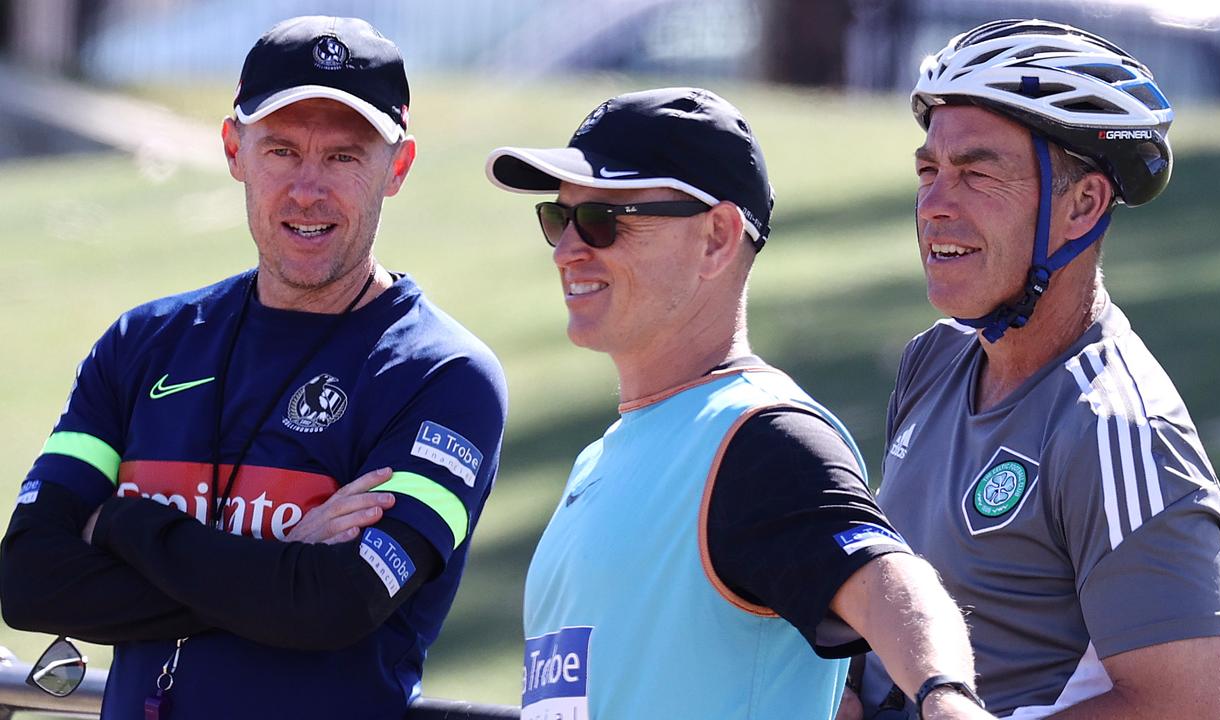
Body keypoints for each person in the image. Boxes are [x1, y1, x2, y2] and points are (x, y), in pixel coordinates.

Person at [0, 16, 506, 719]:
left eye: (343, 157)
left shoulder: (443, 376)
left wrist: (123, 528)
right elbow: (31, 581)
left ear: (397, 167)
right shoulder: (141, 343)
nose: (307, 189)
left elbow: (333, 603)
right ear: (234, 150)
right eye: (281, 150)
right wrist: (281, 564)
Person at [486, 87, 994, 720]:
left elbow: (890, 581)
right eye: (559, 219)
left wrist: (946, 699)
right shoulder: (601, 457)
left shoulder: (762, 436)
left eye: (602, 221)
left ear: (717, 238)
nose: (567, 250)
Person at [848, 19, 1220, 720]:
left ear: (1082, 205)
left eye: (976, 173)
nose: (934, 206)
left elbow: (1183, 709)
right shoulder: (934, 361)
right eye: (929, 171)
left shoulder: (1120, 430)